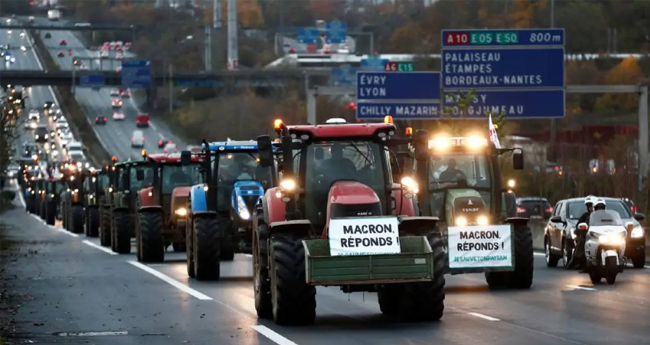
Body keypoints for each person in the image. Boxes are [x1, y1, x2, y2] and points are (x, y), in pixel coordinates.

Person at [569, 196, 597, 270]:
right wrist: (581, 230)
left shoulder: (603, 216)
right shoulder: (585, 216)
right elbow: (578, 225)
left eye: (592, 206)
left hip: (600, 235)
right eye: (589, 206)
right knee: (582, 242)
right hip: (588, 235)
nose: (590, 208)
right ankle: (576, 261)